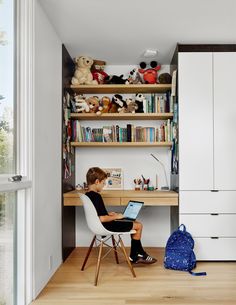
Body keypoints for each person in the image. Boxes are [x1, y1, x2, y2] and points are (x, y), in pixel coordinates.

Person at [85, 167, 157, 264]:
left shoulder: (88, 195)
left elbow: (97, 214)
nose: (104, 186)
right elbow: (102, 218)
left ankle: (138, 254)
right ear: (97, 181)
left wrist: (109, 214)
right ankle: (136, 255)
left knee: (133, 222)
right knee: (138, 225)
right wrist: (116, 217)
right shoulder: (97, 196)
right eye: (103, 183)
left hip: (98, 225)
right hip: (106, 225)